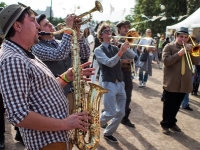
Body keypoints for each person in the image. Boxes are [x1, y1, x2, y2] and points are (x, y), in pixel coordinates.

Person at [0, 4, 94, 150]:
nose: (38, 26)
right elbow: (18, 115)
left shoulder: (23, 53)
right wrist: (66, 123)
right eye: (33, 20)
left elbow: (42, 89)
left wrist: (66, 77)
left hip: (55, 139)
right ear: (17, 26)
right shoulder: (13, 59)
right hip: (47, 143)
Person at [95, 23, 135, 143]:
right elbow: (109, 63)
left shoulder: (115, 47)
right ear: (101, 35)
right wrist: (120, 53)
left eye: (110, 31)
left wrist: (123, 47)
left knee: (121, 112)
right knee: (110, 113)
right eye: (106, 31)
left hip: (120, 83)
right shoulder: (98, 50)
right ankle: (93, 125)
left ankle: (108, 132)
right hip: (109, 83)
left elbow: (133, 56)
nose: (109, 32)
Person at [160, 27, 200, 135]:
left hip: (184, 82)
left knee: (177, 105)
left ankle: (172, 122)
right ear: (176, 36)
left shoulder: (189, 47)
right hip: (172, 82)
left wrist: (193, 50)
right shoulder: (169, 46)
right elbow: (166, 62)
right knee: (169, 104)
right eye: (181, 36)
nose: (183, 39)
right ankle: (165, 124)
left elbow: (196, 61)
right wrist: (180, 53)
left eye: (186, 37)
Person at [115, 20, 137, 128]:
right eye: (124, 27)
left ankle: (125, 118)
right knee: (113, 95)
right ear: (119, 28)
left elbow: (134, 56)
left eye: (128, 27)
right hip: (116, 72)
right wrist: (121, 61)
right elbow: (109, 58)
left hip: (127, 71)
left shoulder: (129, 39)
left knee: (128, 95)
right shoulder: (114, 40)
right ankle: (108, 116)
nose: (126, 29)